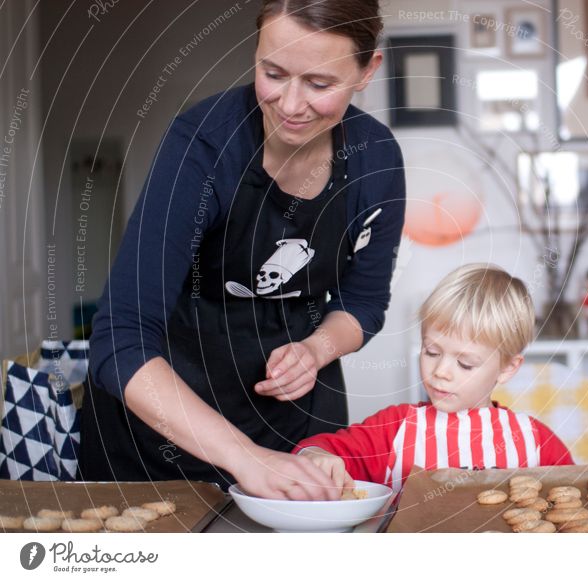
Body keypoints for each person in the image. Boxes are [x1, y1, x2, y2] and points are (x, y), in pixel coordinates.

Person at [79, 0, 405, 501]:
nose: (291, 104)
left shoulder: (374, 159)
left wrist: (316, 349)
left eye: (319, 84)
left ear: (368, 70)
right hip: (158, 439)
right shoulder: (203, 146)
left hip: (297, 436)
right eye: (272, 73)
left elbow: (362, 304)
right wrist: (243, 457)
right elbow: (120, 340)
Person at [292, 264, 574, 492]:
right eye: (431, 352)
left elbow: (575, 501)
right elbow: (317, 448)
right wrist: (316, 456)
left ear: (507, 368)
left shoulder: (535, 442)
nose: (440, 371)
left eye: (465, 363)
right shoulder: (395, 429)